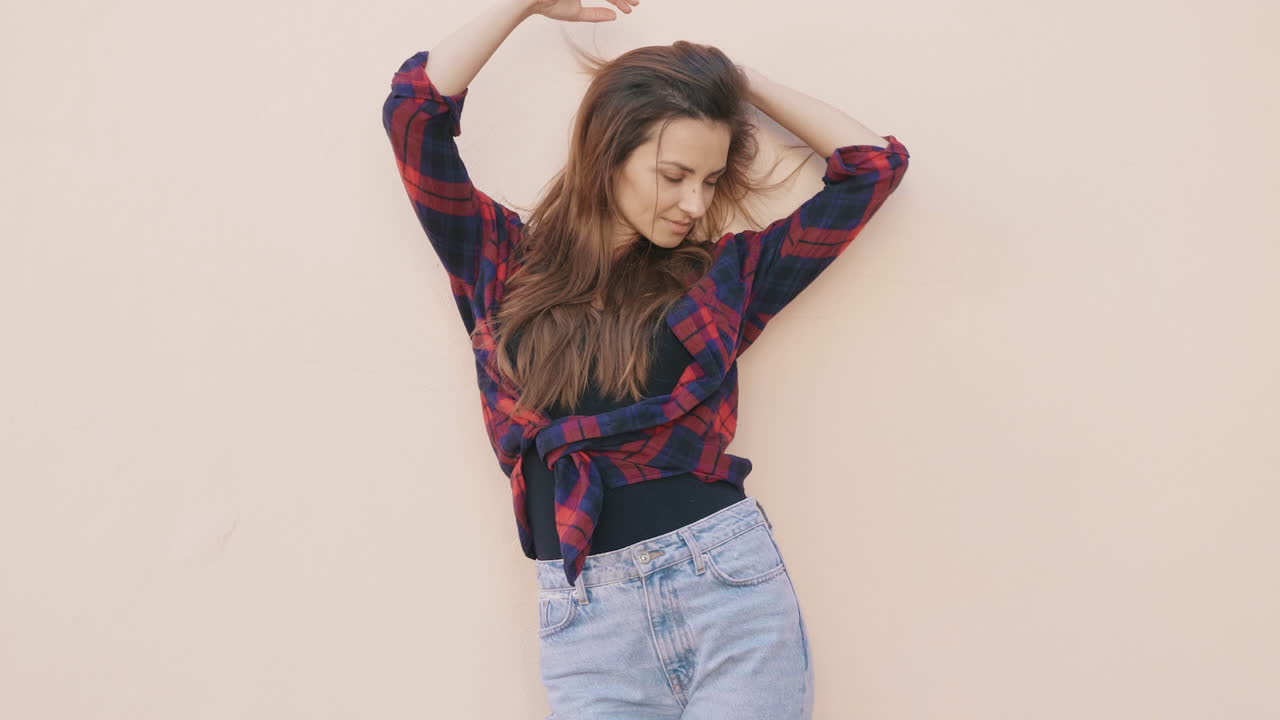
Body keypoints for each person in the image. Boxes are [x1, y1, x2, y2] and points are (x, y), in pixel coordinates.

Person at [381, 1, 910, 716]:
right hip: (588, 623)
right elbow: (414, 114)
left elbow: (873, 167)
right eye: (674, 174)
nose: (695, 201)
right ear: (611, 153)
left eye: (711, 179)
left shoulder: (725, 278)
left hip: (726, 591)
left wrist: (731, 81)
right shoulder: (501, 262)